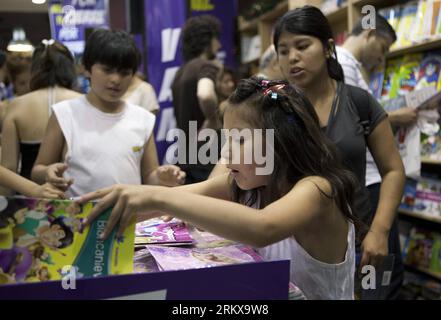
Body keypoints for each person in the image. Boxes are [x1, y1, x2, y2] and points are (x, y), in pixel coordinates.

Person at [79, 78, 359, 300]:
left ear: (281, 143)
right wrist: (96, 213)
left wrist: (157, 195)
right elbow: (172, 200)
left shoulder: (319, 190)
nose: (225, 152)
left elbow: (263, 228)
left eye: (239, 140)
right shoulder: (254, 184)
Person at [272, 6, 405, 297]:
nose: (292, 57)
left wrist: (380, 231)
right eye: (283, 50)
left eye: (302, 46)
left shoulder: (359, 102)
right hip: (293, 246)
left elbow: (393, 170)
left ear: (328, 47)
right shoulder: (275, 109)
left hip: (358, 244)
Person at [31, 29, 185, 198]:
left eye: (124, 73)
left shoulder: (142, 119)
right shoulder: (65, 113)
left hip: (128, 217)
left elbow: (149, 175)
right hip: (78, 218)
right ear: (86, 68)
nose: (116, 79)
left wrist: (162, 176)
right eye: (107, 70)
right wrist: (48, 172)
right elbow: (37, 170)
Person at [336, 14, 407, 299]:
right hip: (369, 183)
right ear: (369, 33)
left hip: (372, 181)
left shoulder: (351, 68)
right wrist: (395, 117)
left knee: (383, 270)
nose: (382, 58)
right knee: (381, 271)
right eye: (384, 47)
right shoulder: (342, 66)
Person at [1, 40, 81, 189]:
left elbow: (9, 168)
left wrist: (9, 207)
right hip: (75, 196)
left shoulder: (17, 105)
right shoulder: (82, 103)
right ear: (70, 69)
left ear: (34, 70)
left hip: (29, 198)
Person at [171, 15, 222, 184]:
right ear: (207, 40)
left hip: (186, 155)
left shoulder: (181, 72)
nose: (219, 45)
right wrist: (213, 118)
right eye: (216, 39)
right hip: (207, 154)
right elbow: (205, 94)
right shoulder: (205, 66)